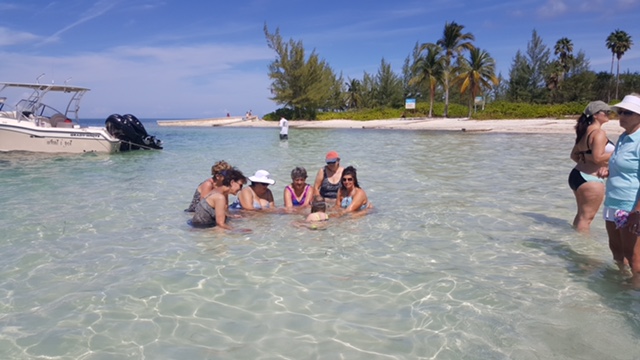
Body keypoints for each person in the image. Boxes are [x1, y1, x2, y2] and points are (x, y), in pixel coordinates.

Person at [601, 93, 640, 284]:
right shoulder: (624, 137)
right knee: (616, 251)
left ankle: (632, 299)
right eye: (620, 112)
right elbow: (625, 167)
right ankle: (620, 286)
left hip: (629, 205)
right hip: (612, 202)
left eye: (628, 113)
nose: (621, 116)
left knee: (633, 257)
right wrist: (608, 170)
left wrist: (638, 211)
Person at [568, 101, 614, 233]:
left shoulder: (584, 132)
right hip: (591, 179)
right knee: (587, 218)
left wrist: (585, 160)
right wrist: (617, 153)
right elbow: (597, 157)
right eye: (606, 112)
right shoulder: (599, 133)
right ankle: (583, 249)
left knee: (581, 215)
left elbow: (574, 155)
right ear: (595, 115)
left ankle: (575, 241)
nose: (609, 114)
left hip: (577, 175)